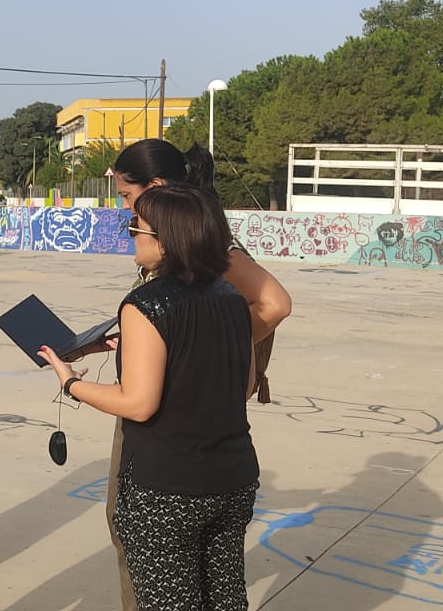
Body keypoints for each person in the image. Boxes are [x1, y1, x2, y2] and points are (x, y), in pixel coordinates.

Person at [41, 184, 260, 611]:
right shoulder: (232, 297)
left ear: (165, 239)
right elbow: (244, 383)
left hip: (167, 491)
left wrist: (71, 384)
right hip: (232, 478)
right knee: (226, 598)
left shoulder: (146, 304)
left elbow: (139, 404)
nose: (131, 237)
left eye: (135, 228)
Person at [100, 138, 292, 610]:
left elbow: (276, 304)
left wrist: (203, 350)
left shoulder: (203, 246)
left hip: (171, 445)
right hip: (218, 456)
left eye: (128, 198)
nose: (127, 214)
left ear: (157, 189)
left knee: (150, 550)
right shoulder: (190, 244)